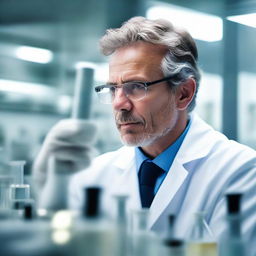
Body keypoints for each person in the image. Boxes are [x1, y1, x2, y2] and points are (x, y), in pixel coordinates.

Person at [33, 17, 256, 251]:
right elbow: (61, 247)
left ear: (183, 93)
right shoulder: (93, 173)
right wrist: (50, 190)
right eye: (112, 89)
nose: (119, 104)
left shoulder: (241, 171)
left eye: (137, 86)